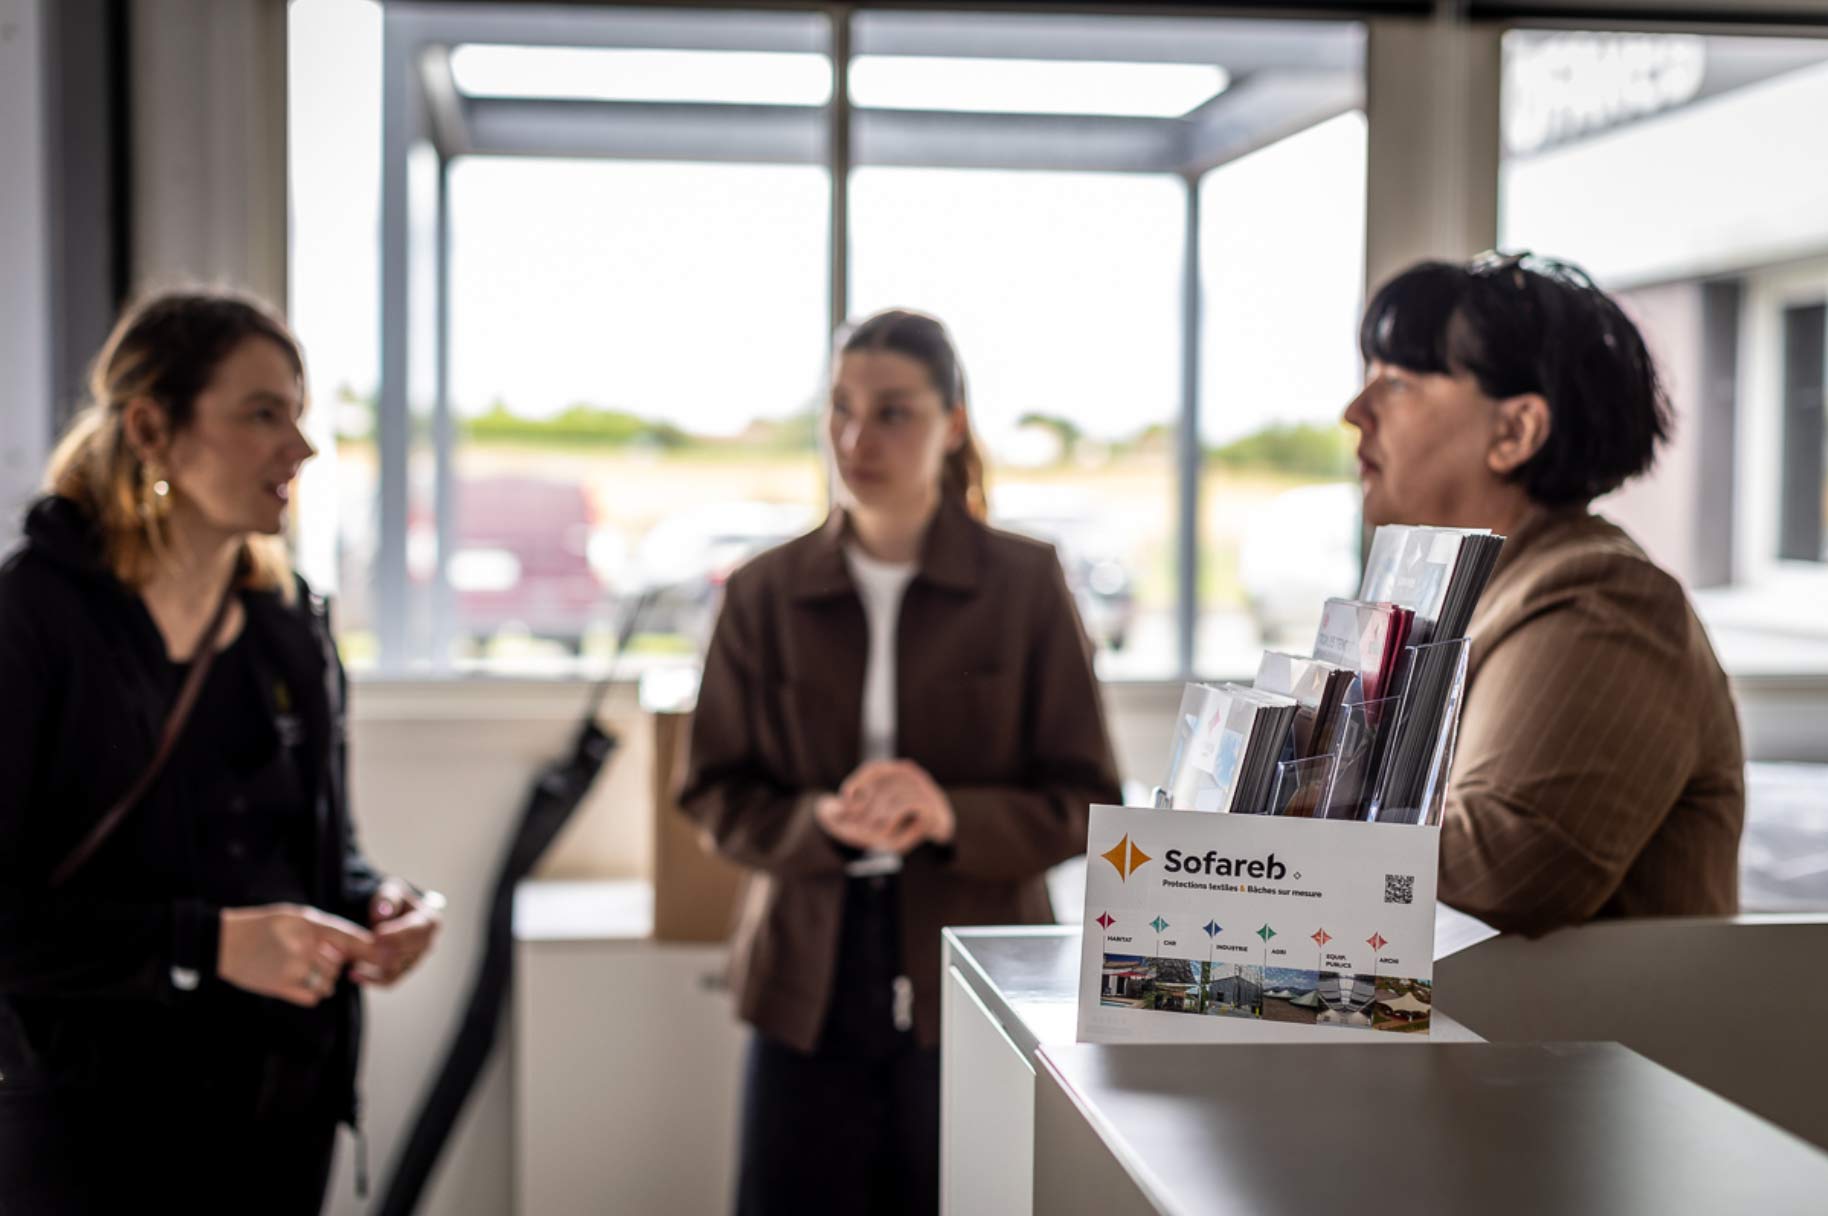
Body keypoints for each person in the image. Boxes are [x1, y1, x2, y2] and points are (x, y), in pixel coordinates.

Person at [0, 290, 443, 1213]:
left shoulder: (290, 625)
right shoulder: (33, 619)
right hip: (92, 1129)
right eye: (262, 413)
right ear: (151, 429)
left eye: (300, 414)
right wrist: (209, 944)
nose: (302, 448)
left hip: (281, 1116)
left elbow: (320, 850)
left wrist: (376, 901)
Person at [678, 309, 1121, 1214]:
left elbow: (1087, 799)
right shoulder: (762, 592)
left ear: (952, 424)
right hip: (803, 974)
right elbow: (713, 791)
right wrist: (821, 820)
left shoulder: (1026, 584)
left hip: (978, 970)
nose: (856, 439)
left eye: (892, 413)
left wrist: (949, 813)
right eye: (840, 409)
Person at [1344, 252, 1744, 936]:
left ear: (1515, 431)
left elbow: (1510, 868)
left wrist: (1286, 815)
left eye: (1399, 381)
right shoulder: (1481, 593)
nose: (1356, 412)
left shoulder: (1601, 598)